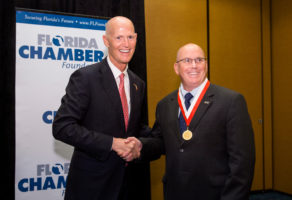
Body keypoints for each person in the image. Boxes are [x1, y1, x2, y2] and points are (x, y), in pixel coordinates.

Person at [138, 43, 255, 200]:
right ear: (176, 67)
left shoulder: (231, 101)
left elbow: (242, 163)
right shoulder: (165, 104)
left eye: (199, 60)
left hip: (216, 194)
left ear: (206, 65)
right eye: (187, 60)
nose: (194, 65)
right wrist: (139, 146)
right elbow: (161, 143)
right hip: (175, 193)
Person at [52, 16, 149, 200]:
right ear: (106, 41)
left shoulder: (138, 84)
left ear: (136, 38)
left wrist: (143, 143)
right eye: (119, 37)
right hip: (91, 187)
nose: (126, 44)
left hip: (128, 186)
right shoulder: (85, 78)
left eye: (130, 37)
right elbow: (62, 127)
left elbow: (136, 127)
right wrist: (112, 143)